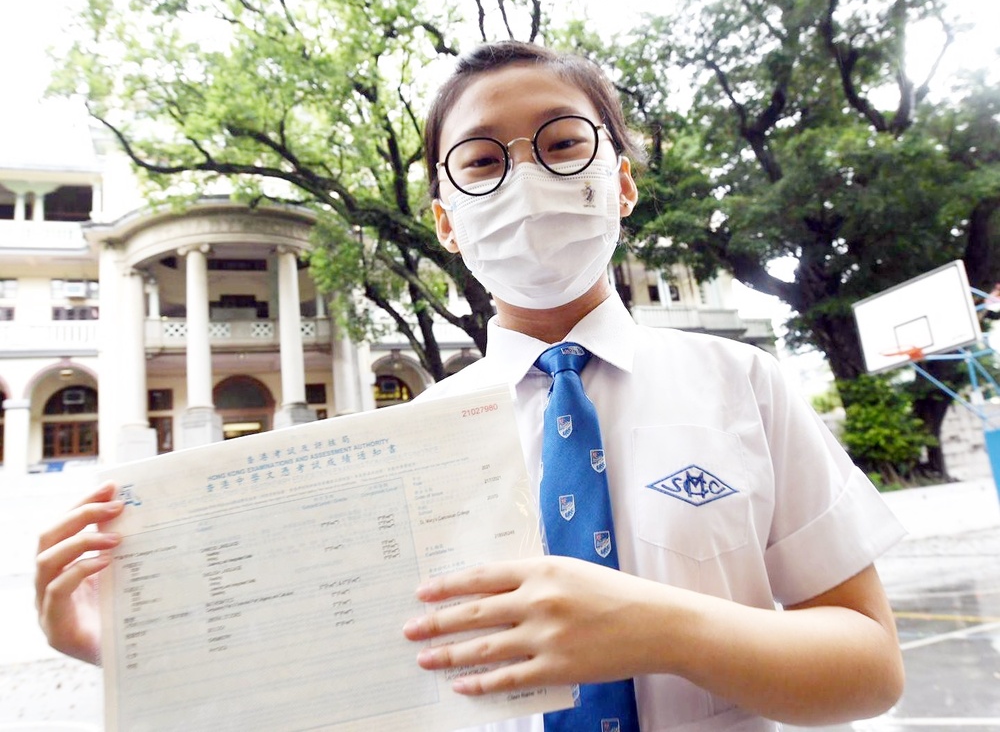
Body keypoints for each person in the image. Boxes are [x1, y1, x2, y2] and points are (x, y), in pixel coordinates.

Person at [36, 41, 906, 731]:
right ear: (447, 221)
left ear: (623, 181)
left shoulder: (744, 385)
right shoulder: (406, 446)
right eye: (482, 162)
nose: (525, 176)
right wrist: (127, 646)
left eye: (562, 143)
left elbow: (869, 669)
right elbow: (333, 685)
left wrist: (658, 628)